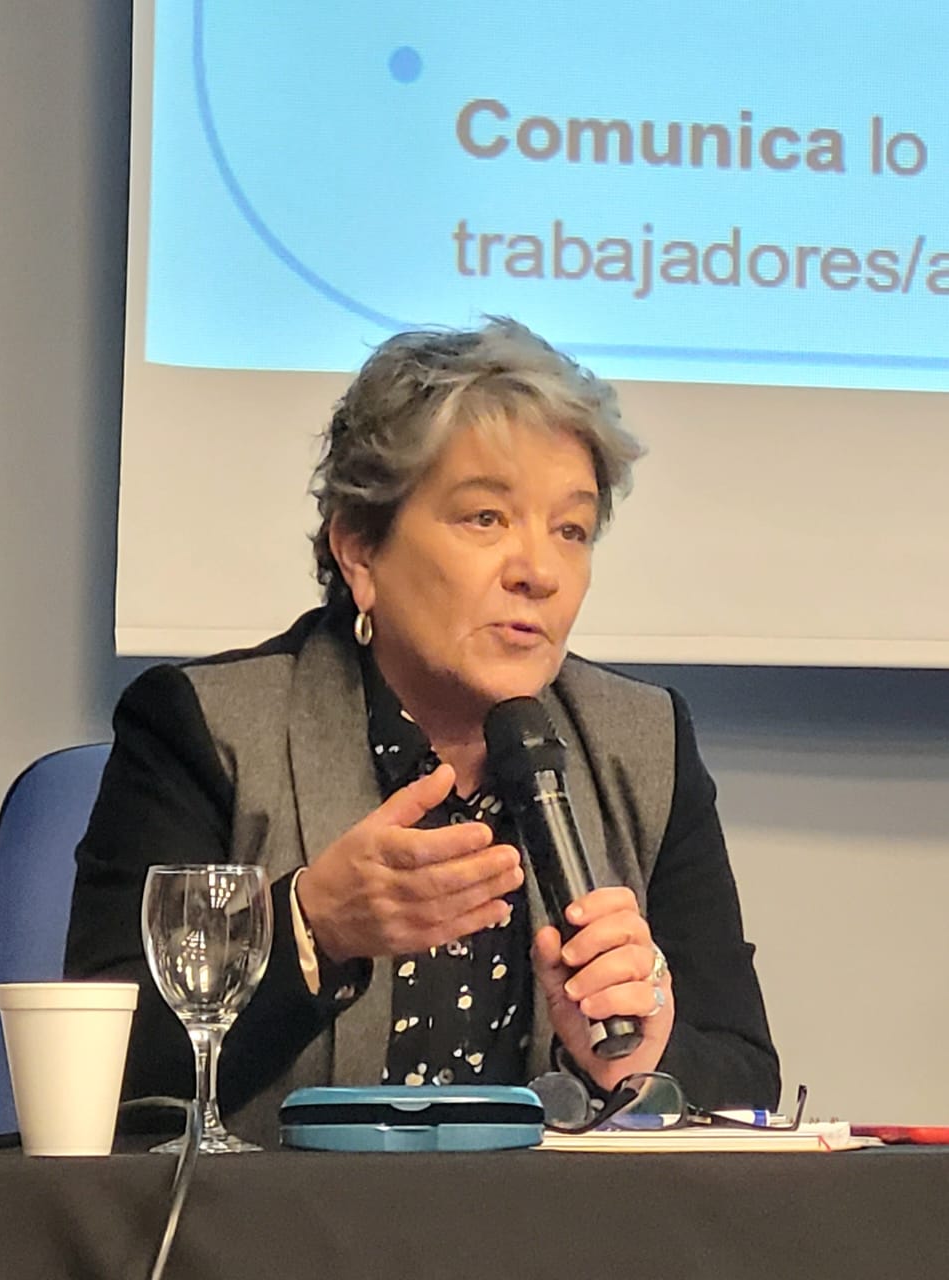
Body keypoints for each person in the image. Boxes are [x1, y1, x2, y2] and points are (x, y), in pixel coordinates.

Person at [65, 318, 779, 1144]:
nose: (538, 572)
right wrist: (311, 932)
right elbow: (101, 1075)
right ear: (360, 551)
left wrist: (637, 1062)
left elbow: (743, 1074)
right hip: (286, 1222)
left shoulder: (643, 746)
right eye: (486, 518)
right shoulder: (205, 729)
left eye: (571, 530)